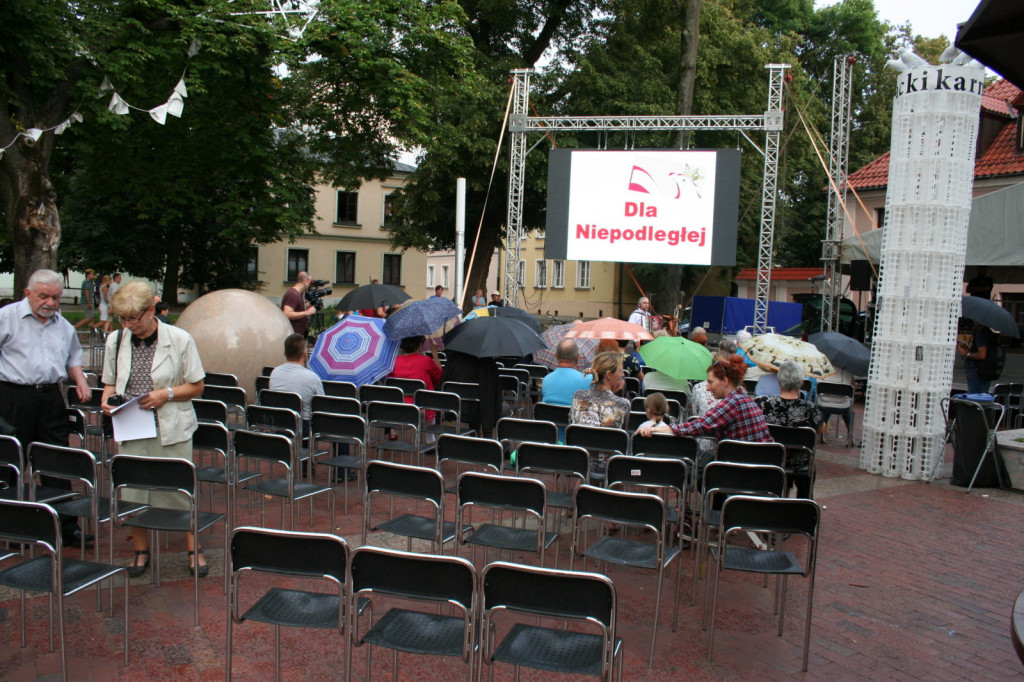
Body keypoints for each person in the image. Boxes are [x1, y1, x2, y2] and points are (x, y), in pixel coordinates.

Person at [101, 281, 206, 577]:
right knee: (133, 490)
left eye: (134, 318)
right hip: (131, 423)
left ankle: (193, 549)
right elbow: (109, 382)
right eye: (123, 319)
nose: (129, 324)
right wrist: (107, 400)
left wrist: (166, 394)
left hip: (170, 423)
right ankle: (140, 550)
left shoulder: (180, 338)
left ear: (151, 310)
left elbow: (197, 385)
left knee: (177, 488)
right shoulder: (116, 340)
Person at [0, 269, 92, 546]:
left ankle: (64, 527)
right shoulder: (6, 317)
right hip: (13, 396)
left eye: (55, 297)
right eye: (43, 296)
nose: (50, 303)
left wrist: (81, 381)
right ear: (27, 294)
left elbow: (73, 356)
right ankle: (14, 528)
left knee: (56, 460)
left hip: (51, 398)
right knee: (12, 463)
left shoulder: (62, 324)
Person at [638, 354, 771, 448]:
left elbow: (701, 424)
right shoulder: (742, 397)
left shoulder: (733, 402)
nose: (707, 388)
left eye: (711, 382)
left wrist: (662, 429)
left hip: (741, 467)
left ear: (725, 381)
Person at [754, 360, 825, 498]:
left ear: (779, 382)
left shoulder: (763, 404)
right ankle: (803, 503)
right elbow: (821, 429)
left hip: (772, 460)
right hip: (801, 465)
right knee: (810, 468)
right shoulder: (810, 408)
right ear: (801, 383)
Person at [570, 351, 630, 474]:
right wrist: (617, 395)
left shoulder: (578, 395)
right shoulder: (623, 404)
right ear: (609, 374)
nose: (622, 375)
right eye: (620, 371)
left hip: (579, 461)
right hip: (610, 465)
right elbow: (621, 435)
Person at [269, 333, 325, 435]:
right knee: (341, 428)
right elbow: (321, 406)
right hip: (303, 426)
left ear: (284, 353)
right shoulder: (312, 377)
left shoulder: (274, 372)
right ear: (304, 353)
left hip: (279, 423)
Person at [541, 339, 591, 405]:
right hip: (574, 415)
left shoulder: (546, 380)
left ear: (556, 355)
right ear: (578, 357)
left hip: (547, 415)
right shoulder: (588, 379)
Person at [959, 322, 995, 394]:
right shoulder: (989, 333)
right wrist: (968, 347)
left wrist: (967, 354)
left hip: (977, 372)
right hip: (986, 372)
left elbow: (982, 355)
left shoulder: (981, 335)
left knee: (976, 397)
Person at [282, 271, 316, 337]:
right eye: (309, 282)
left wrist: (309, 305)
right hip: (293, 335)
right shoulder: (292, 294)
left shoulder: (299, 294)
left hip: (298, 334)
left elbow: (298, 307)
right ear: (305, 281)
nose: (309, 285)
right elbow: (287, 314)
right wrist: (307, 312)